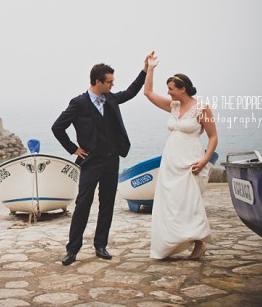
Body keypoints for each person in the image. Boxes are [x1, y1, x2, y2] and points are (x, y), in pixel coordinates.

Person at [52, 56, 150, 266]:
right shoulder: (78, 103)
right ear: (98, 82)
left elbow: (131, 91)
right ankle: (72, 249)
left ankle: (100, 245)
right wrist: (74, 149)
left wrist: (145, 70)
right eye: (109, 82)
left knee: (107, 204)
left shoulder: (111, 99)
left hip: (111, 160)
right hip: (90, 161)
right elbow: (57, 127)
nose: (113, 85)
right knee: (83, 204)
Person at [143, 51, 218, 260]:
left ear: (183, 89)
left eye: (171, 90)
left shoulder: (202, 108)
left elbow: (213, 137)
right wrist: (150, 68)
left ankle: (199, 241)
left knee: (189, 203)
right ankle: (169, 244)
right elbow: (148, 92)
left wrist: (204, 161)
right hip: (171, 161)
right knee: (170, 204)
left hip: (191, 161)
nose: (168, 93)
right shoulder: (173, 106)